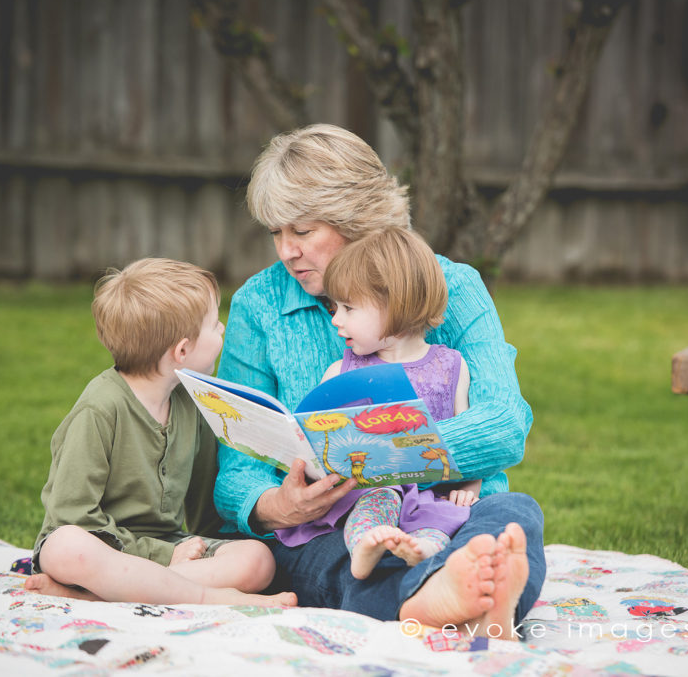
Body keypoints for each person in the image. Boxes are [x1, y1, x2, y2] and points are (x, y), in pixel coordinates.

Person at [214, 124, 545, 639]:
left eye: (302, 231)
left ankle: (447, 591)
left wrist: (387, 455)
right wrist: (279, 506)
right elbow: (235, 466)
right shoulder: (260, 305)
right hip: (328, 525)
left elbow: (503, 424)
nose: (285, 251)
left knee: (513, 515)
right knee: (346, 554)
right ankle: (453, 597)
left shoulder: (451, 286)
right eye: (275, 233)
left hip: (450, 509)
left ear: (356, 219)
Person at [25, 257, 296, 608]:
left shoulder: (192, 403)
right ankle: (210, 597)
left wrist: (214, 548)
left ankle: (97, 595)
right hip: (101, 549)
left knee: (257, 560)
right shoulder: (100, 410)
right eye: (214, 324)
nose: (222, 329)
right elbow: (71, 516)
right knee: (66, 547)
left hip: (169, 548)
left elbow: (203, 509)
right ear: (182, 350)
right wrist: (162, 556)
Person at [275, 227, 484, 581]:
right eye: (336, 307)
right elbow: (315, 447)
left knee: (447, 518)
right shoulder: (340, 372)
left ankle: (422, 550)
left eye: (348, 308)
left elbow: (469, 445)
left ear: (394, 304)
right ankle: (364, 547)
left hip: (429, 498)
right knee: (380, 500)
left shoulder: (451, 367)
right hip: (366, 495)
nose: (336, 319)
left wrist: (467, 490)